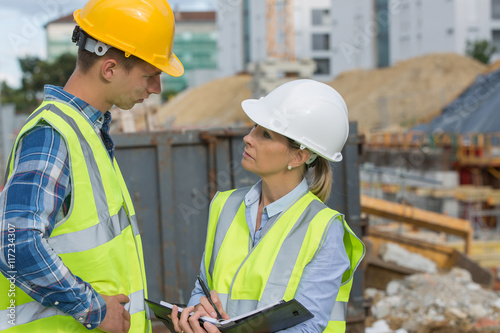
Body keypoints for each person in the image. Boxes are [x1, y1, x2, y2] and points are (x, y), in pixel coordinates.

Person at [0, 0, 183, 332]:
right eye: (150, 75)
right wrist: (93, 310)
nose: (156, 88)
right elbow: (15, 242)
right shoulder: (52, 134)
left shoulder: (86, 132)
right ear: (110, 69)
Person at [171, 79, 365, 333]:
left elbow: (306, 328)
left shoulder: (324, 229)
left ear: (298, 157)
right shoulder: (225, 205)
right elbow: (203, 288)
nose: (247, 138)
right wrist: (197, 313)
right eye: (254, 127)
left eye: (265, 134)